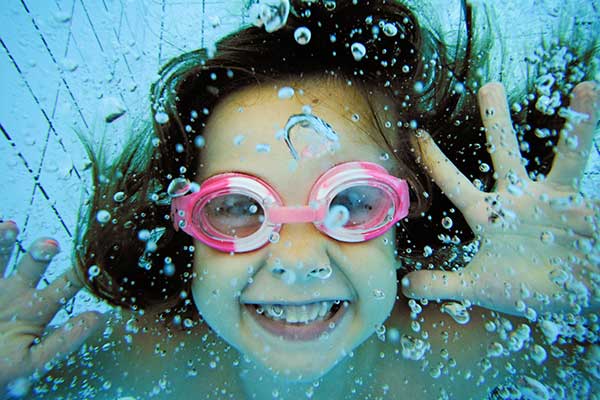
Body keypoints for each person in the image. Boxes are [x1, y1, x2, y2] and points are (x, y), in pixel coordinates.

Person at [1, 0, 598, 398]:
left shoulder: (451, 347)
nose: (296, 258)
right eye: (237, 208)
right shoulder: (144, 359)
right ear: (185, 225)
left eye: (354, 200)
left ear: (405, 218)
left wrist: (579, 304)